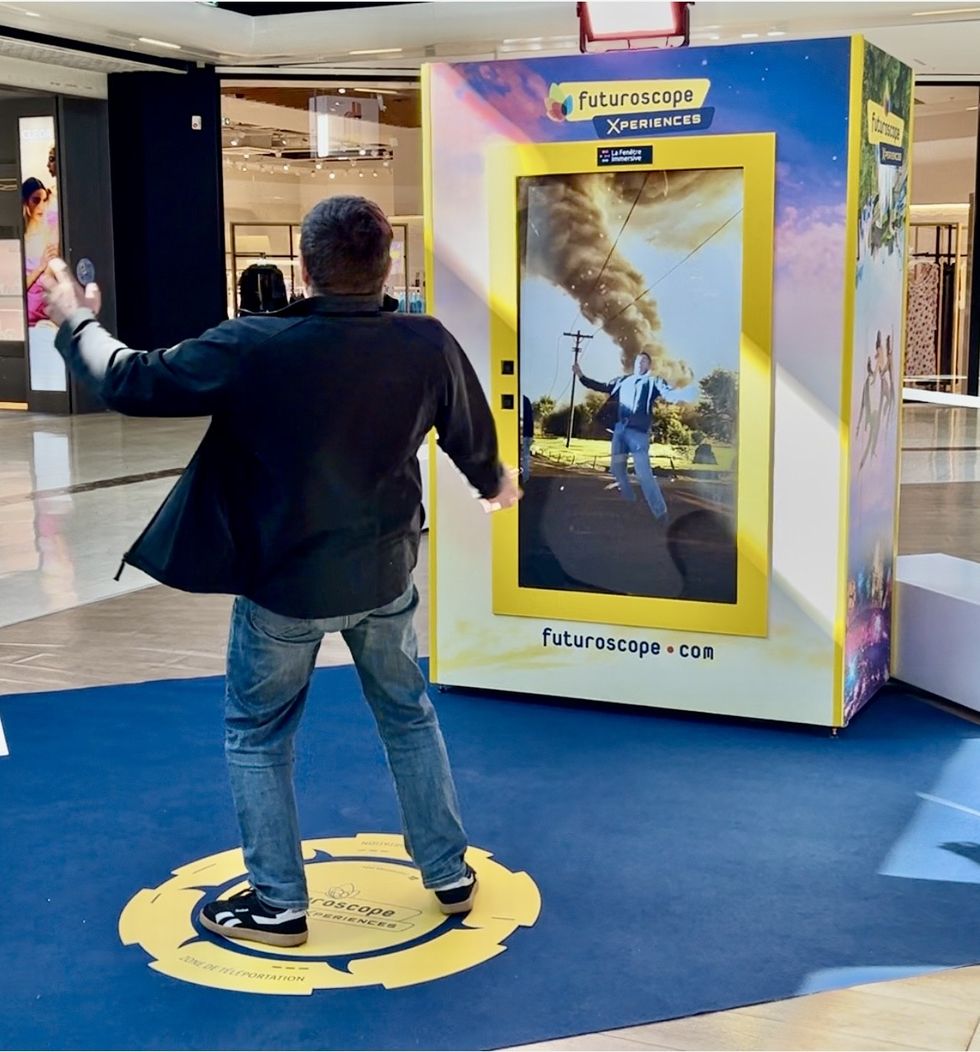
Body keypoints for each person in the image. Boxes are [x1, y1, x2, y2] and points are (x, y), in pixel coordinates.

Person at [42, 195, 519, 949]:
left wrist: (75, 316)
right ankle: (448, 873)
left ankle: (279, 905)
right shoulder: (425, 343)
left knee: (258, 733)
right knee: (408, 715)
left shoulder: (254, 345)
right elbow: (471, 432)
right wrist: (493, 483)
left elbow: (128, 380)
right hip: (385, 578)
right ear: (386, 264)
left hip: (285, 587)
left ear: (306, 265)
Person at [574, 351, 668, 521]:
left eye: (645, 361)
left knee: (644, 473)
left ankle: (660, 512)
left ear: (649, 365)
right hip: (620, 431)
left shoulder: (651, 383)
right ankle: (630, 501)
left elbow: (664, 389)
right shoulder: (623, 381)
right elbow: (602, 386)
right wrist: (581, 375)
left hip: (638, 434)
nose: (641, 363)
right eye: (639, 360)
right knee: (617, 469)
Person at [22, 177, 57, 326]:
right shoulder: (21, 238)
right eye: (36, 200)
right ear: (25, 202)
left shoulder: (51, 227)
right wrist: (40, 268)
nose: (41, 206)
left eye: (44, 200)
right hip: (26, 318)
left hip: (46, 317)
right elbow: (18, 287)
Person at [521, 394, 534, 483]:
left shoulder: (521, 400)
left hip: (519, 434)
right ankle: (525, 478)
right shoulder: (526, 400)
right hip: (526, 434)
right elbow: (530, 419)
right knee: (525, 457)